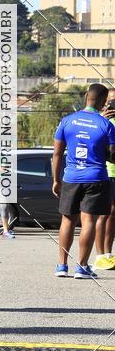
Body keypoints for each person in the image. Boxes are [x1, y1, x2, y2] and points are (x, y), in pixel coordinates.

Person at [52, 83, 115, 278]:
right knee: (88, 222)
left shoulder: (67, 121)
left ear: (87, 96)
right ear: (104, 102)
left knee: (67, 221)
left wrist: (56, 180)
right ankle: (81, 267)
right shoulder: (106, 125)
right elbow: (113, 156)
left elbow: (57, 154)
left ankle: (62, 266)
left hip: (70, 177)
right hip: (96, 178)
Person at [95, 88, 115, 269]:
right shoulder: (100, 121)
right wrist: (103, 119)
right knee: (104, 213)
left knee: (112, 215)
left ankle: (108, 253)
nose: (112, 105)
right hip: (107, 172)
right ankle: (100, 255)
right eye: (110, 101)